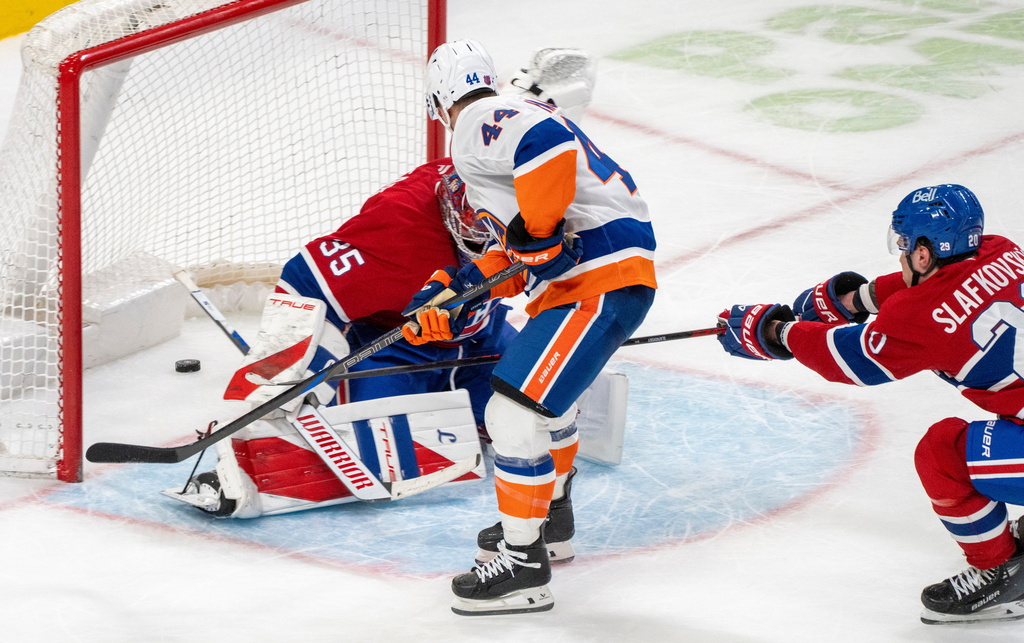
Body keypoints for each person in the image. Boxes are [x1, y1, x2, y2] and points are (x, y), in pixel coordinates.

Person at [166, 48, 606, 520]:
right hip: (395, 349)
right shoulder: (398, 225)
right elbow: (303, 281)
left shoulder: (520, 191)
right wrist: (279, 376)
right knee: (370, 446)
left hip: (481, 338)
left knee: (536, 420)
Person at [414, 39, 657, 616]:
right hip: (595, 283)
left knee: (510, 413)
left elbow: (546, 155)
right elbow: (519, 258)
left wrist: (541, 229)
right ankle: (550, 521)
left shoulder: (475, 120)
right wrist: (449, 296)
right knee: (552, 408)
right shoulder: (505, 143)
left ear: (440, 98)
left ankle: (524, 568)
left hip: (598, 285)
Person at [716, 184, 1024, 624]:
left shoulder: (922, 320)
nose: (899, 254)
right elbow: (937, 288)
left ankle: (1001, 575)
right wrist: (855, 300)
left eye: (903, 244)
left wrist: (775, 332)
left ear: (923, 253)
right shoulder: (1001, 250)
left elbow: (851, 360)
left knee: (944, 454)